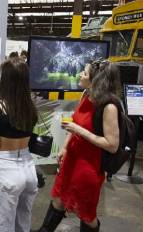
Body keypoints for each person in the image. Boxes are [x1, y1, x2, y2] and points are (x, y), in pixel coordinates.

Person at [32, 59, 121, 232]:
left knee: (86, 214)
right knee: (59, 198)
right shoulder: (86, 95)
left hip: (88, 166)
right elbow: (75, 123)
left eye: (85, 73)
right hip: (72, 159)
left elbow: (112, 145)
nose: (80, 74)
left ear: (97, 79)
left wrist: (78, 130)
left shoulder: (109, 106)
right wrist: (65, 147)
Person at [0, 57, 38, 232]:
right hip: (29, 169)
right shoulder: (30, 106)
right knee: (24, 222)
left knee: (3, 226)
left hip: (7, 170)